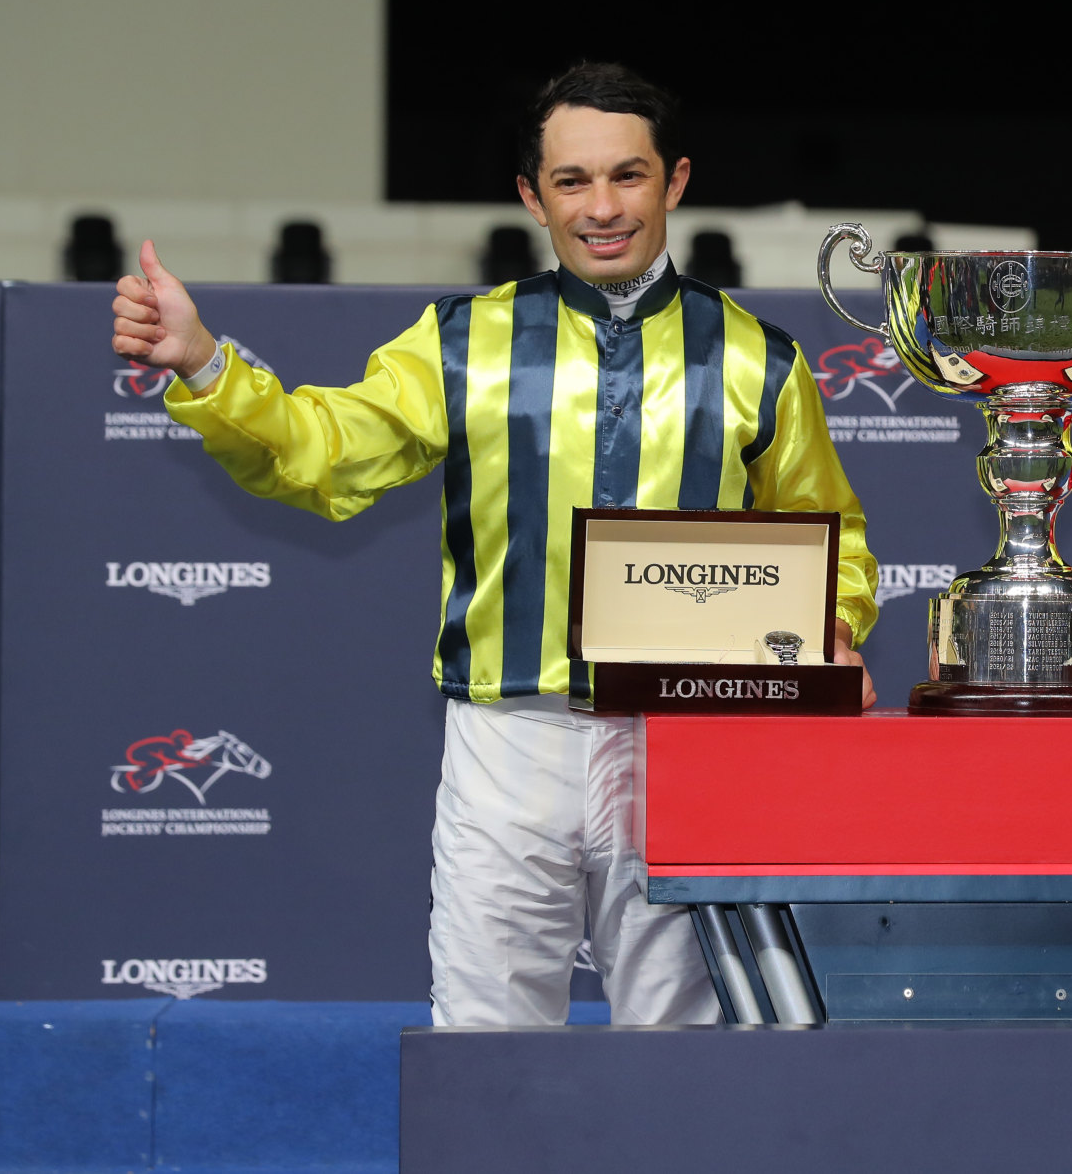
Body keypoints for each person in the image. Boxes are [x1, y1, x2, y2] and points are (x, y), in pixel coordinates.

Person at [109, 63, 880, 1026]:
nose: (603, 207)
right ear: (531, 196)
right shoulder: (460, 339)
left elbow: (831, 538)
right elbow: (323, 454)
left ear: (674, 182)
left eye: (628, 176)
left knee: (682, 1046)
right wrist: (206, 363)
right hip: (511, 743)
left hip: (690, 745)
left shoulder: (762, 360)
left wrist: (834, 626)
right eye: (571, 181)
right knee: (486, 1038)